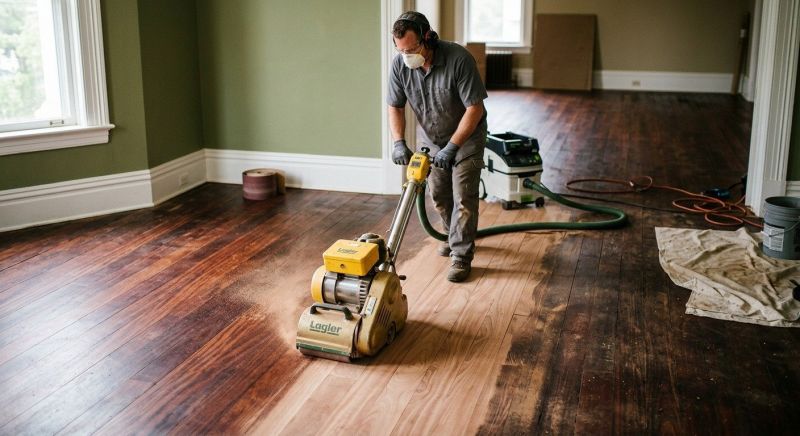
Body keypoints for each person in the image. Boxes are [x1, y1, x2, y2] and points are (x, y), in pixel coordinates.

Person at [387, 11, 488, 282]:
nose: (407, 56)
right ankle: (453, 235)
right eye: (401, 51)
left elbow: (474, 109)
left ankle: (461, 255)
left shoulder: (459, 59)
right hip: (430, 139)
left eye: (412, 49)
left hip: (467, 137)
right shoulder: (400, 66)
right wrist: (398, 142)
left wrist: (453, 147)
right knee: (439, 196)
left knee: (464, 197)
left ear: (428, 38)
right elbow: (395, 106)